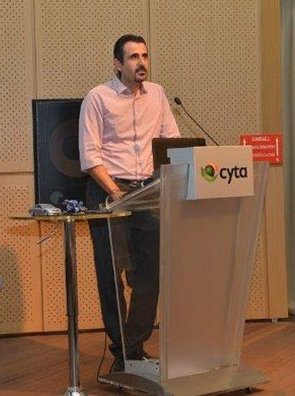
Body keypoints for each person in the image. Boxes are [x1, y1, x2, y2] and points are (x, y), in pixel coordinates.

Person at [78, 34, 180, 372]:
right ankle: (123, 351)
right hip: (109, 191)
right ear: (117, 63)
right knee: (111, 274)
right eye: (134, 57)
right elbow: (90, 156)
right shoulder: (97, 97)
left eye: (145, 56)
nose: (141, 63)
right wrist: (116, 192)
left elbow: (172, 141)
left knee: (149, 274)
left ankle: (132, 347)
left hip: (148, 192)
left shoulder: (158, 94)